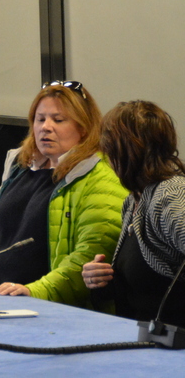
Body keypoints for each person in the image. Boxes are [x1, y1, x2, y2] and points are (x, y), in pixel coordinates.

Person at [0, 81, 126, 308]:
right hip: (1, 296)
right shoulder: (20, 166)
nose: (46, 127)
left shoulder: (101, 179)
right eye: (40, 119)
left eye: (58, 120)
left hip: (51, 307)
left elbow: (85, 261)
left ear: (84, 128)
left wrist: (33, 291)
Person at [82, 101, 185, 326]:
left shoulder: (170, 194)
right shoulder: (134, 200)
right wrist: (102, 279)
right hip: (141, 336)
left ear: (124, 150)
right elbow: (142, 285)